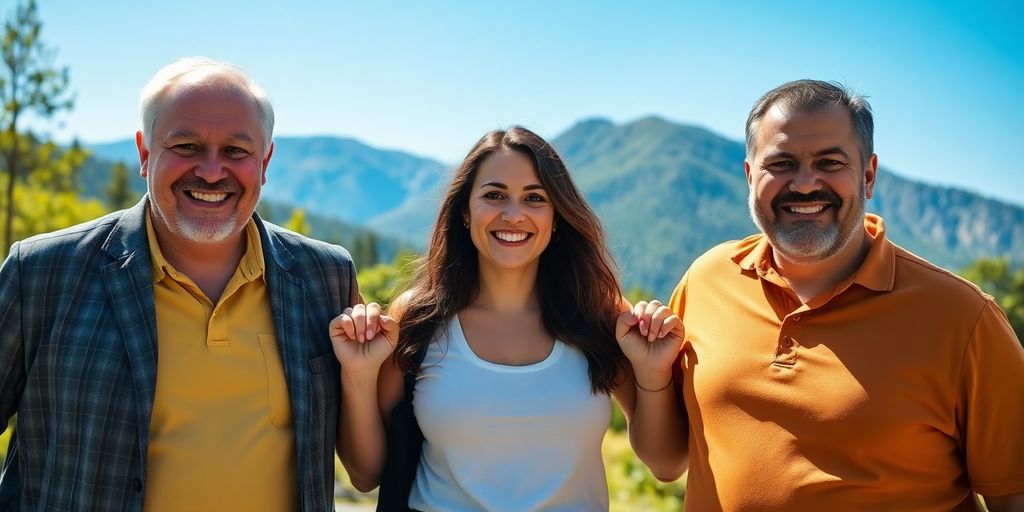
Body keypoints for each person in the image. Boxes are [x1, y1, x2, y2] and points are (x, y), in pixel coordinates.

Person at [636, 79, 1024, 510]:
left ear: (869, 175)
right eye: (780, 164)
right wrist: (650, 379)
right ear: (750, 176)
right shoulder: (707, 279)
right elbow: (666, 461)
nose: (804, 184)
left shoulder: (963, 319)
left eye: (829, 162)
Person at [0, 57, 357, 511]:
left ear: (264, 162)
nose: (211, 171)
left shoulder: (325, 277)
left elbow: (362, 462)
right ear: (145, 153)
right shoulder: (43, 273)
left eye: (235, 151)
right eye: (186, 146)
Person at [330, 126, 686, 510]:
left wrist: (653, 375)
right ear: (465, 211)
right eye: (495, 195)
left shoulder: (599, 317)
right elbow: (366, 475)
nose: (513, 215)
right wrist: (358, 375)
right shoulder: (419, 318)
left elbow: (667, 464)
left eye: (534, 198)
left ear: (557, 216)